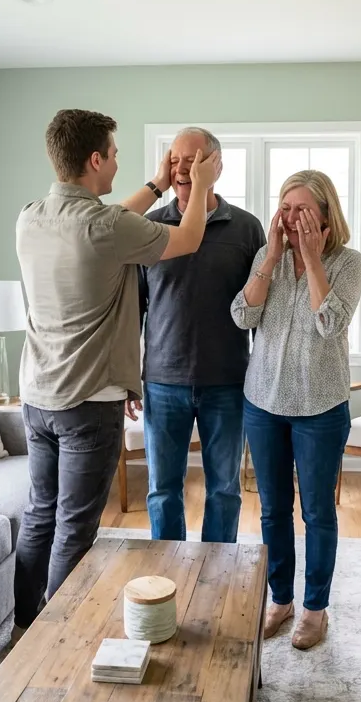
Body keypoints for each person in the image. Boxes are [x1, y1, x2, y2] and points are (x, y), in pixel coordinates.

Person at [13, 109, 219, 638]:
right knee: (75, 528)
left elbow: (111, 224)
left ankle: (23, 628)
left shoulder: (31, 216)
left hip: (36, 399)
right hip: (86, 404)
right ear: (96, 159)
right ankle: (55, 638)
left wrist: (155, 182)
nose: (117, 164)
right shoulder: (104, 227)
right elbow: (189, 237)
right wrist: (199, 183)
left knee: (39, 515)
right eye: (114, 154)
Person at [231, 169, 361, 650]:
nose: (290, 218)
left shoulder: (348, 263)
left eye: (301, 210)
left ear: (325, 217)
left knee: (317, 511)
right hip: (263, 402)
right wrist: (272, 257)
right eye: (284, 208)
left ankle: (315, 608)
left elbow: (330, 323)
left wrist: (311, 261)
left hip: (320, 407)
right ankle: (280, 598)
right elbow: (242, 315)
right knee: (272, 510)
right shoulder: (268, 258)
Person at [128, 128, 265, 543]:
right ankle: (165, 574)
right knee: (162, 492)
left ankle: (216, 573)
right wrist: (127, 379)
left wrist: (262, 381)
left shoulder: (245, 229)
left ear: (215, 166)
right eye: (174, 160)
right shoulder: (150, 227)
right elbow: (133, 308)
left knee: (224, 490)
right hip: (162, 383)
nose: (182, 168)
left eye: (193, 159)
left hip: (227, 383)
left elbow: (260, 311)